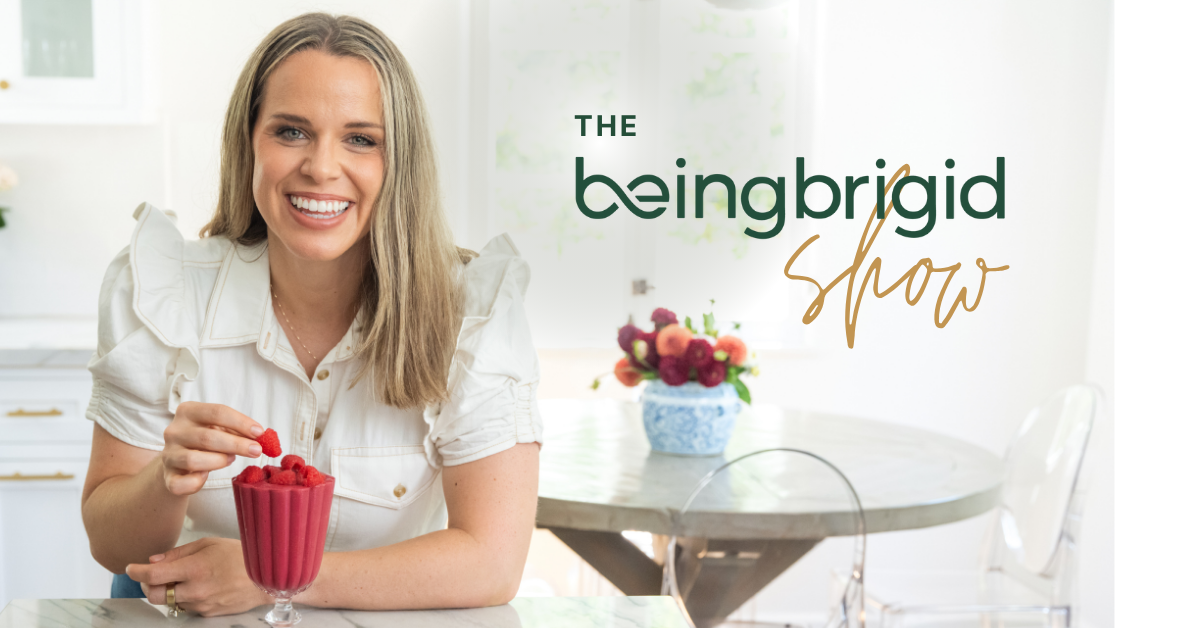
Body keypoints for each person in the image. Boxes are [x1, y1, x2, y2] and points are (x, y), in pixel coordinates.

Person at [80, 12, 541, 617]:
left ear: (398, 161)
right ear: (249, 143)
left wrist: (276, 578)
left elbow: (492, 560)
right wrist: (166, 476)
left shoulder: (471, 315)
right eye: (291, 132)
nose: (322, 168)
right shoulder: (162, 291)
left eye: (360, 139)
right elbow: (112, 546)